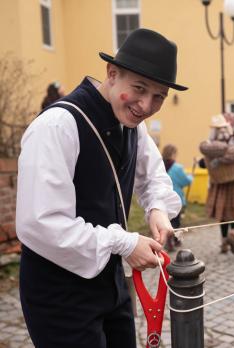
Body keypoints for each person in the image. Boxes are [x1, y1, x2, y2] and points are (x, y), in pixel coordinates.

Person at [16, 28, 187, 348]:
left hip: (111, 286)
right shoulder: (56, 127)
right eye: (139, 88)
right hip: (58, 296)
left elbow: (153, 177)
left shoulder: (133, 126)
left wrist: (158, 211)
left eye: (159, 96)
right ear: (112, 74)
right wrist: (124, 243)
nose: (146, 105)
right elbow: (41, 223)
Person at [199, 114, 234, 255]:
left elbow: (204, 161)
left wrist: (215, 161)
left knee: (223, 213)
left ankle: (223, 242)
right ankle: (232, 234)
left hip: (219, 184)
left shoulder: (208, 145)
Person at [162, 144, 193, 251]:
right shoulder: (177, 168)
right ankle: (173, 240)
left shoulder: (160, 166)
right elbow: (185, 181)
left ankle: (173, 240)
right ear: (173, 154)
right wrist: (191, 177)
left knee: (167, 220)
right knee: (176, 221)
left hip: (162, 199)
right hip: (175, 199)